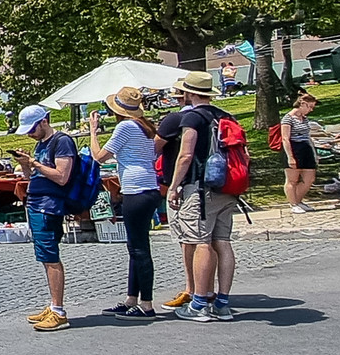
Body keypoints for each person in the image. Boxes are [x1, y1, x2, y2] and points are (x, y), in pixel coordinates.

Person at [158, 70, 238, 323]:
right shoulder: (224, 115)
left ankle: (200, 303)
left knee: (200, 241)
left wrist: (174, 185)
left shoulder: (192, 118)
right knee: (222, 242)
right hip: (226, 186)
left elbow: (186, 154)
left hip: (201, 188)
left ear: (189, 92)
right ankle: (223, 303)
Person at [90, 88, 161, 317]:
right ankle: (132, 298)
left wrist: (93, 132)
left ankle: (147, 304)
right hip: (148, 186)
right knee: (135, 245)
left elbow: (99, 156)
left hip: (136, 189)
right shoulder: (145, 127)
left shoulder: (125, 127)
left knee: (139, 248)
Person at [10, 104, 75, 332]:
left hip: (49, 206)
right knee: (44, 256)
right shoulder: (41, 144)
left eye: (32, 128)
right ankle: (53, 305)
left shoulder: (62, 142)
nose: (29, 133)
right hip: (37, 203)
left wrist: (35, 163)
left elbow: (62, 176)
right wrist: (26, 165)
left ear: (44, 121)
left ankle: (59, 310)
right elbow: (34, 175)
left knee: (50, 255)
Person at [281, 92, 320, 214]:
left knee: (309, 178)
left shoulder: (304, 118)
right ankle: (293, 203)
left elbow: (308, 136)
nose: (311, 110)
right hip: (293, 148)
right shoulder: (287, 118)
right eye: (310, 107)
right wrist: (290, 157)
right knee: (292, 179)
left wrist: (314, 153)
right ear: (302, 104)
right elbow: (285, 138)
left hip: (305, 148)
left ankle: (298, 200)